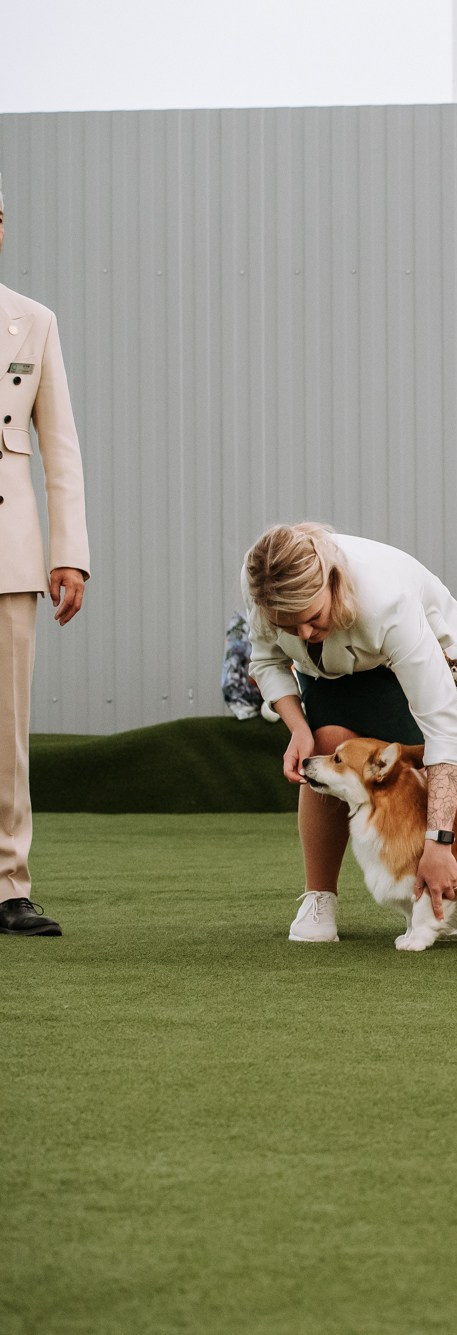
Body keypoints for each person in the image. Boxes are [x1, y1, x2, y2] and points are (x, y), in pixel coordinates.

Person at [242, 524, 457, 942]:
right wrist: (298, 729)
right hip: (330, 670)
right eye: (289, 624)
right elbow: (266, 662)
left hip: (428, 658)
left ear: (333, 584)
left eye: (312, 617)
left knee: (420, 759)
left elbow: (443, 728)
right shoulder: (267, 591)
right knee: (325, 748)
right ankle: (319, 898)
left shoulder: (388, 604)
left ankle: (434, 886)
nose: (302, 633)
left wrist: (440, 844)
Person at [0, 181, 88, 938]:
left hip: (11, 556)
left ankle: (9, 883)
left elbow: (61, 449)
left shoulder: (34, 322)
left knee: (7, 728)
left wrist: (71, 555)